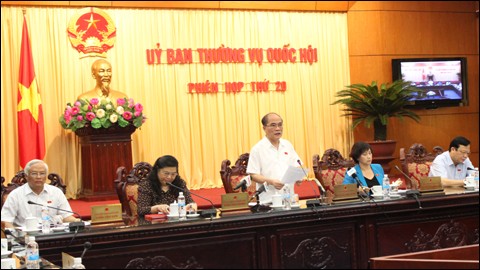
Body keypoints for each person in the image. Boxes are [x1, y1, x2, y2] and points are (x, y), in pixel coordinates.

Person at [1, 159, 79, 229]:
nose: (38, 177)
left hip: (52, 234)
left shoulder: (56, 192)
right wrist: (17, 236)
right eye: (34, 174)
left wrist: (77, 221)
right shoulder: (15, 195)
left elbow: (66, 216)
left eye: (42, 173)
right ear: (26, 176)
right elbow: (5, 221)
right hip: (26, 237)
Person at [246, 112, 302, 204]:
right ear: (264, 128)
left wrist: (298, 177)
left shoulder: (287, 145)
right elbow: (253, 175)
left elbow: (296, 165)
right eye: (273, 125)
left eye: (280, 125)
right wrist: (271, 181)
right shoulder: (257, 149)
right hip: (269, 200)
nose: (278, 128)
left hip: (289, 199)